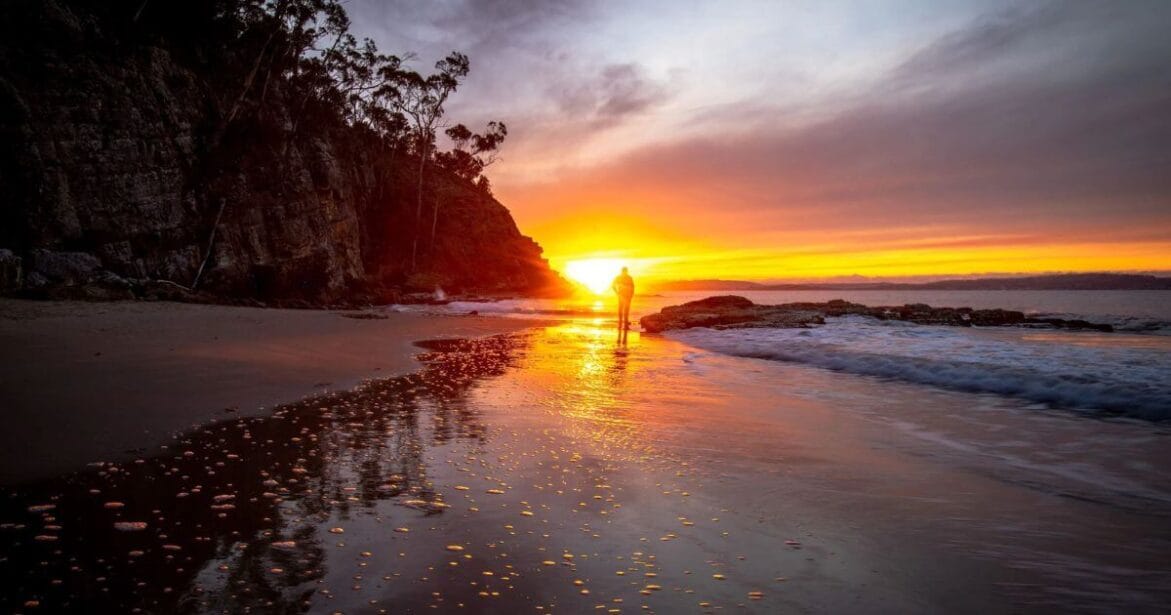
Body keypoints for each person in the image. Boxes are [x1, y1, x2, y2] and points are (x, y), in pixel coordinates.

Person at [611, 266, 635, 334]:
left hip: (626, 296)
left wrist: (631, 294)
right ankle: (621, 325)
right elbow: (613, 285)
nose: (625, 272)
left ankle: (624, 326)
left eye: (625, 271)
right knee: (622, 310)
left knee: (625, 310)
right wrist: (617, 292)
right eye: (625, 271)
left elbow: (632, 287)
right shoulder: (621, 277)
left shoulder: (628, 277)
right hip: (622, 295)